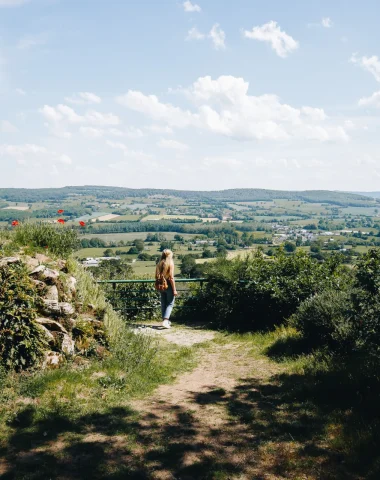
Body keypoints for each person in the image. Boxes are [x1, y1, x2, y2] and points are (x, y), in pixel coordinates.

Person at [155, 249, 178, 329]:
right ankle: (165, 321)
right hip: (168, 284)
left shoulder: (159, 263)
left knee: (163, 303)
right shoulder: (170, 263)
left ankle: (165, 321)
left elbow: (156, 276)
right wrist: (174, 289)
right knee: (170, 304)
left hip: (161, 285)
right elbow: (171, 277)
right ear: (170, 255)